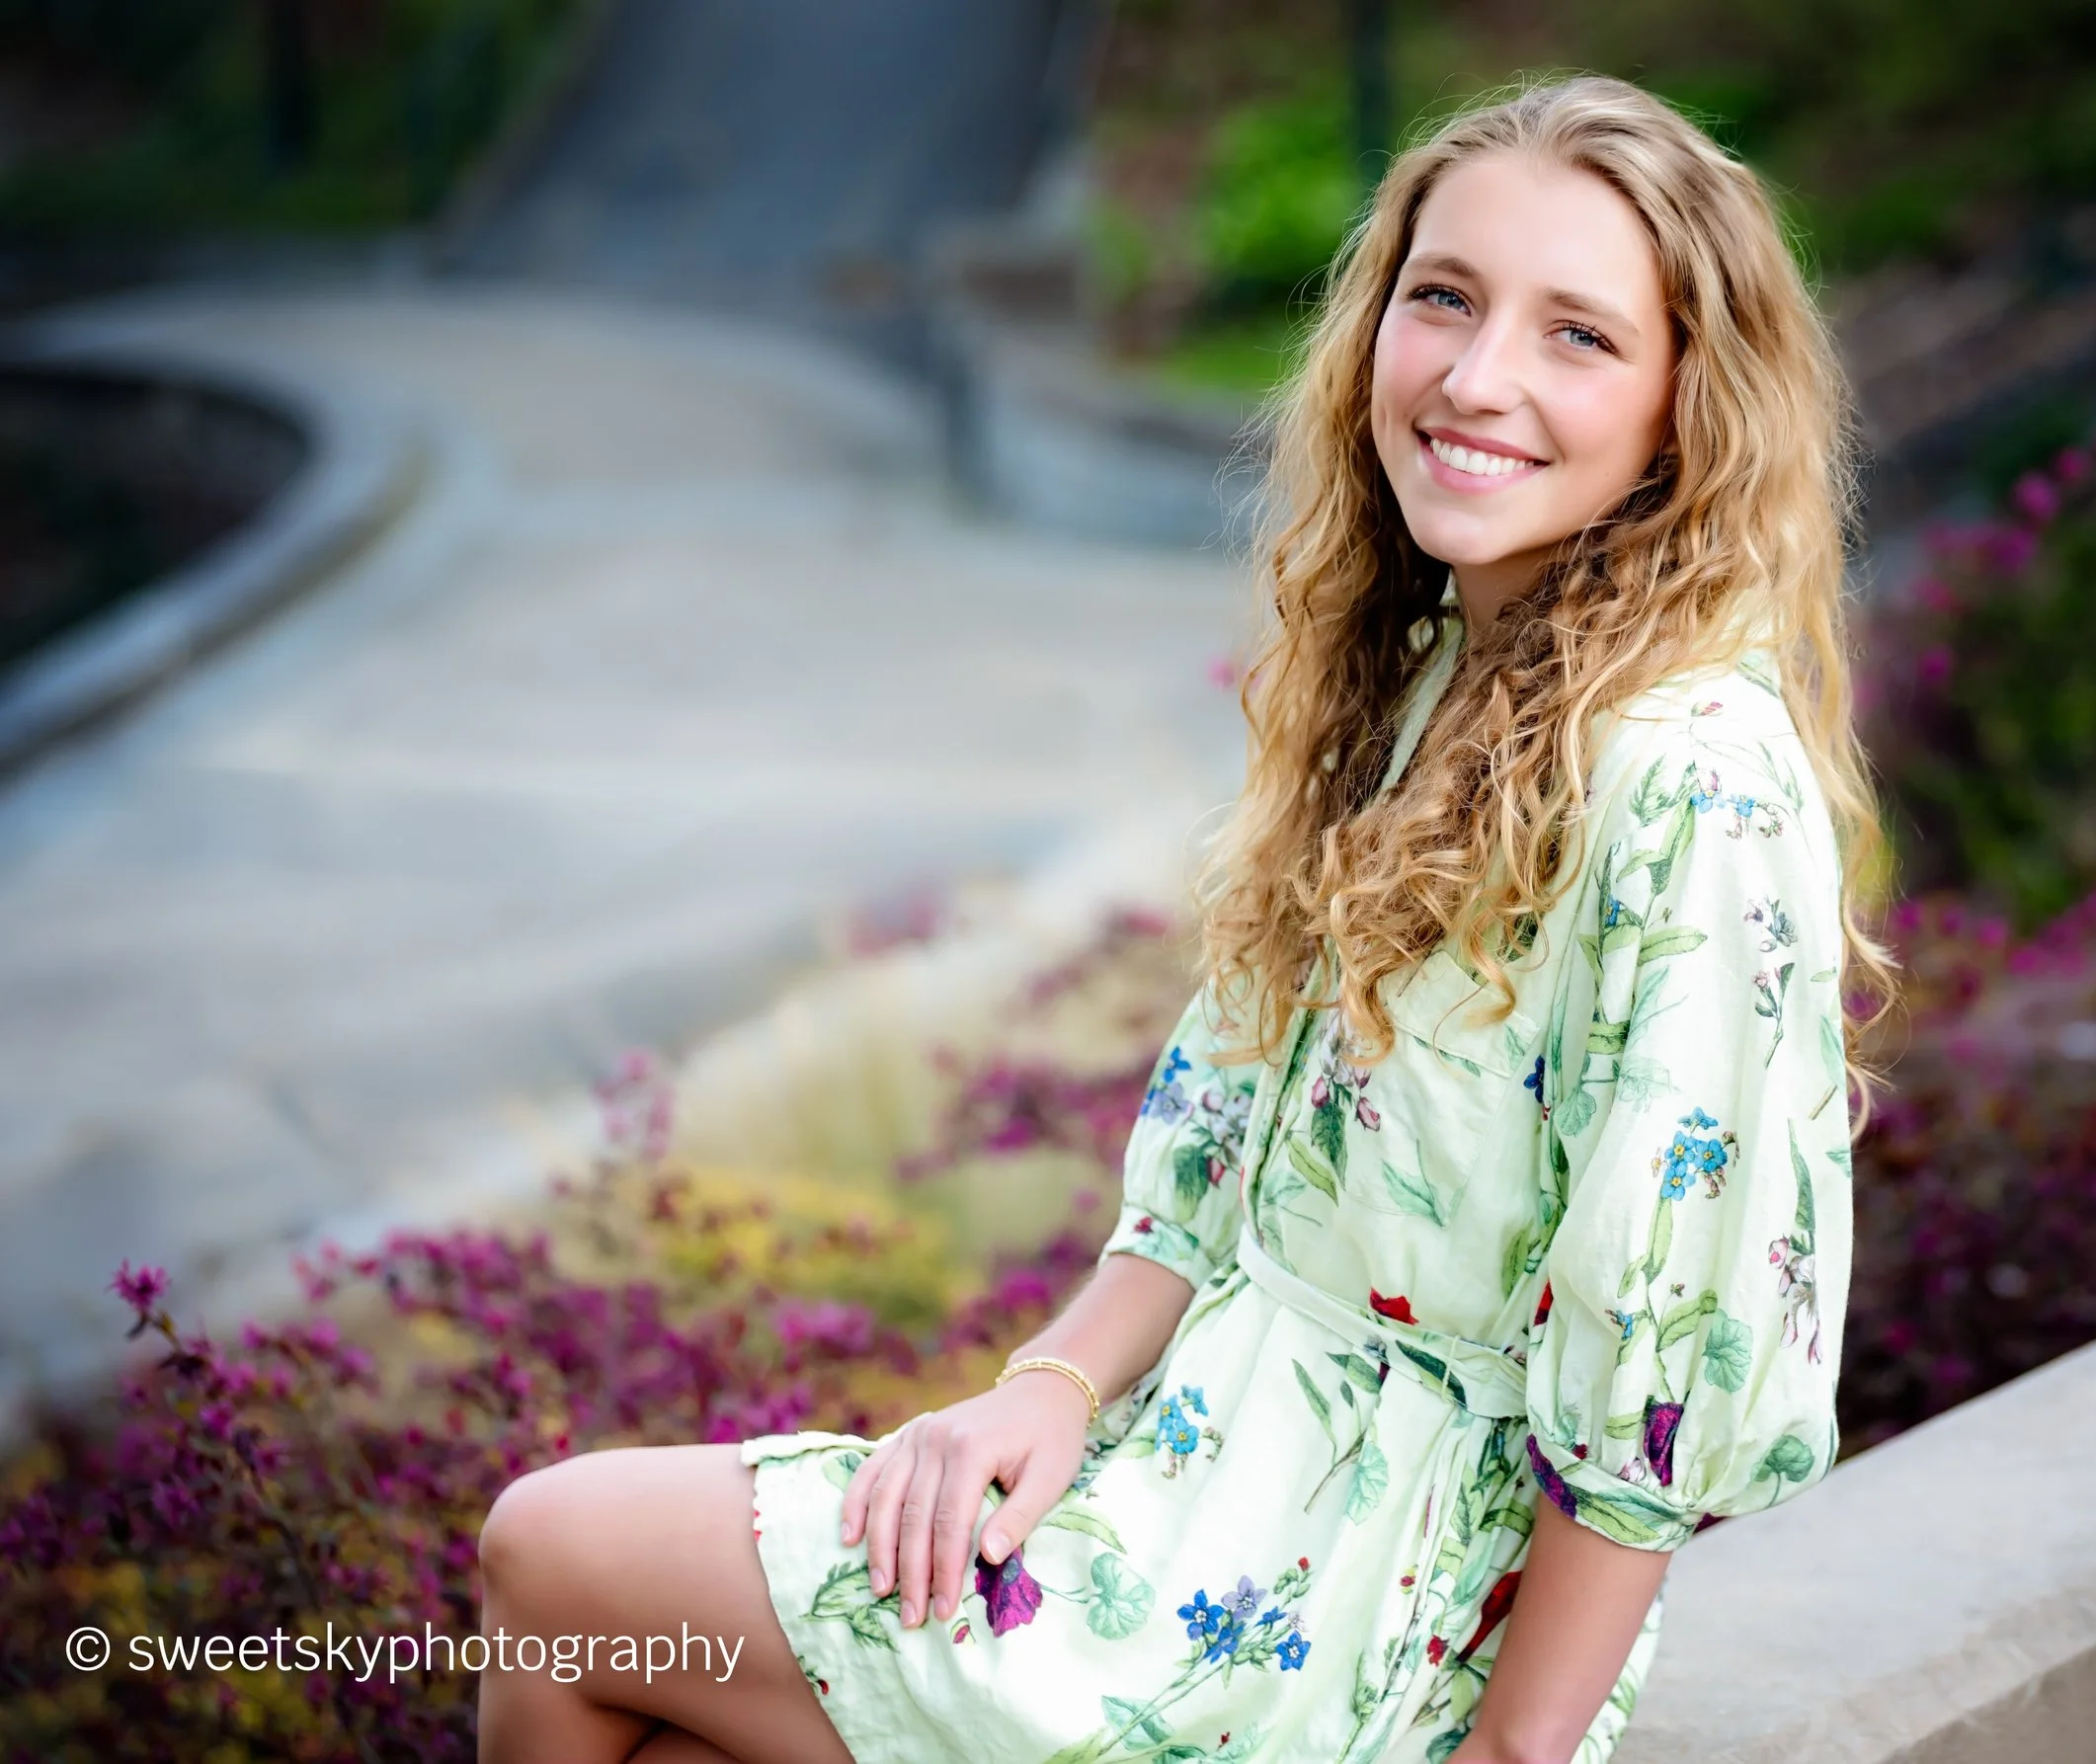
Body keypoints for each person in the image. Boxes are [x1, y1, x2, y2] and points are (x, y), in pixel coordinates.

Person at [474, 73, 1891, 1764]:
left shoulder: (1690, 778)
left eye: (1578, 335)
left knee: (549, 1557)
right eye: (1442, 297)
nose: (1478, 376)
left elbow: (1672, 1340)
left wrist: (1515, 1755)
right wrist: (1043, 1389)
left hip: (1356, 1605)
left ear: (1687, 405)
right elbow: (1225, 1125)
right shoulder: (1425, 670)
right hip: (1203, 1470)